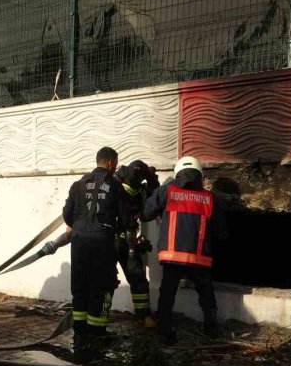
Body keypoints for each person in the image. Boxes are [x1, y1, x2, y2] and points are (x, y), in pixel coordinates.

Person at [144, 156, 227, 344]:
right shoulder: (209, 198)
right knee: (206, 291)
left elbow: (146, 212)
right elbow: (221, 232)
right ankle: (211, 327)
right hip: (199, 258)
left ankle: (165, 328)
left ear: (177, 174)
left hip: (172, 257)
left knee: (167, 292)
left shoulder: (167, 191)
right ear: (200, 175)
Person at [62, 146, 130, 337]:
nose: (115, 167)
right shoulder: (116, 185)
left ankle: (80, 329)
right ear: (110, 163)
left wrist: (78, 226)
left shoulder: (78, 184)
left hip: (79, 242)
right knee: (101, 286)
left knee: (80, 285)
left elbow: (67, 214)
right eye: (115, 163)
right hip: (102, 242)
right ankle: (97, 330)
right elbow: (125, 217)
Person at [113, 160, 160, 329]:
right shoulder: (114, 186)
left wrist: (152, 180)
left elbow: (151, 207)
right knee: (107, 280)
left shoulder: (139, 188)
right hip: (111, 241)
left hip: (129, 242)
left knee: (138, 279)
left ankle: (143, 315)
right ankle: (98, 319)